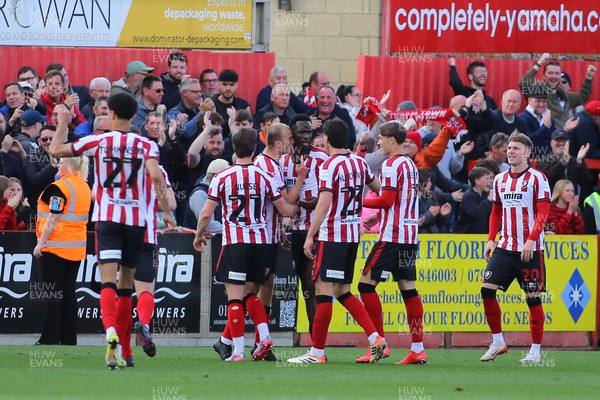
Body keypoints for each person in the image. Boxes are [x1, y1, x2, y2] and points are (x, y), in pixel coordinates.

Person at [48, 92, 175, 369]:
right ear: (133, 116)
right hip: (136, 224)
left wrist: (63, 123)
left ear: (112, 115)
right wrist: (166, 212)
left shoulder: (99, 140)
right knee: (126, 287)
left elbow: (57, 150)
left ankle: (111, 336)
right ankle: (129, 343)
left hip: (107, 219)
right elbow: (155, 176)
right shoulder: (146, 145)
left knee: (107, 283)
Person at [193, 128, 298, 362]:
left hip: (236, 242)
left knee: (234, 298)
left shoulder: (221, 177)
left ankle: (238, 352)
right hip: (261, 242)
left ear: (234, 151)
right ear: (254, 149)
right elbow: (285, 210)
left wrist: (198, 236)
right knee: (251, 294)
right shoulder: (266, 176)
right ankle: (265, 337)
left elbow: (206, 214)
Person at [287, 118, 386, 364]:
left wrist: (310, 235)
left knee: (323, 291)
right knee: (342, 291)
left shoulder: (330, 166)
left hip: (332, 235)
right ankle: (376, 338)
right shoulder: (359, 163)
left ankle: (316, 353)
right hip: (352, 235)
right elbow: (379, 189)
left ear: (327, 140)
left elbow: (323, 204)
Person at [355, 121, 424, 364]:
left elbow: (386, 200)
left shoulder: (392, 165)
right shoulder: (410, 164)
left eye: (382, 139)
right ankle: (417, 348)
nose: (379, 143)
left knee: (365, 286)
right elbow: (397, 201)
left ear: (392, 140)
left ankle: (379, 343)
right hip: (408, 236)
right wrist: (378, 215)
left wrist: (359, 201)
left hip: (391, 237)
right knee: (409, 290)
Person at [480, 132, 551, 365]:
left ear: (528, 153)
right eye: (509, 147)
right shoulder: (500, 179)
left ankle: (535, 351)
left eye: (516, 148)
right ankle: (498, 341)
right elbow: (496, 211)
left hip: (530, 250)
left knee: (532, 298)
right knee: (487, 289)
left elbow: (544, 213)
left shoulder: (537, 178)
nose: (511, 151)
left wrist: (531, 239)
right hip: (505, 247)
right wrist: (491, 238)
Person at [279, 114, 329, 337]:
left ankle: (315, 339)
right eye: (302, 132)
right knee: (292, 286)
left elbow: (329, 194)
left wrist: (313, 203)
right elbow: (279, 198)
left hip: (313, 230)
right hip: (291, 231)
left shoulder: (322, 158)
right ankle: (279, 337)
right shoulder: (282, 161)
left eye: (310, 131)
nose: (307, 136)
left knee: (310, 285)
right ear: (291, 134)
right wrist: (283, 224)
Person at [33, 156, 91, 345]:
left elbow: (53, 217)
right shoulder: (84, 186)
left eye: (62, 162)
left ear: (71, 166)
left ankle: (49, 338)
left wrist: (40, 244)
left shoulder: (60, 187)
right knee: (68, 292)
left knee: (52, 293)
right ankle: (69, 339)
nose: (58, 164)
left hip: (55, 247)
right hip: (75, 249)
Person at [454, 167, 493, 234]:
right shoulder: (468, 196)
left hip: (482, 236)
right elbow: (475, 213)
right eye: (487, 178)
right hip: (466, 237)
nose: (490, 181)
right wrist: (488, 200)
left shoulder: (486, 194)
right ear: (477, 181)